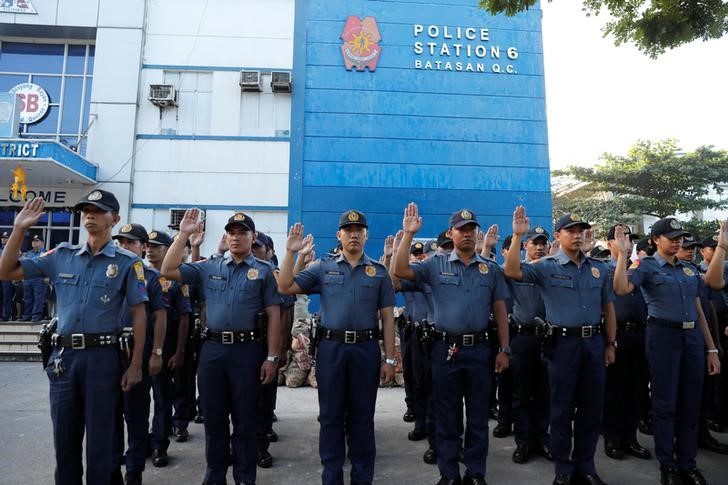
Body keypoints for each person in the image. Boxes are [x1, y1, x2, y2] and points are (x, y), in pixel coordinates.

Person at [0, 192, 148, 485]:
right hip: (64, 360)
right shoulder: (61, 256)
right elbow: (6, 271)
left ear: (114, 219)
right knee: (65, 441)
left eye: (98, 210)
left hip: (103, 359)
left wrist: (135, 364)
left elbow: (139, 313)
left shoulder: (128, 263)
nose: (90, 215)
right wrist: (19, 229)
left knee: (100, 444)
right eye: (86, 210)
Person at [161, 209, 282, 485]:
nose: (236, 237)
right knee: (214, 418)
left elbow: (275, 314)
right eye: (232, 232)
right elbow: (167, 270)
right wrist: (183, 236)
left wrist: (272, 356)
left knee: (245, 419)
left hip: (247, 351)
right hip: (212, 350)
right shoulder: (208, 266)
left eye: (243, 233)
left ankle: (244, 476)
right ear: (226, 236)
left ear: (253, 238)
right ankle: (215, 475)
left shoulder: (264, 272)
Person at [393, 203, 510, 485]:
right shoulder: (435, 264)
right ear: (451, 233)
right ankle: (449, 474)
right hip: (445, 350)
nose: (468, 234)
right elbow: (399, 271)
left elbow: (501, 310)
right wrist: (408, 235)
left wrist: (504, 349)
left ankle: (475, 473)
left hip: (481, 350)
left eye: (472, 229)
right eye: (462, 229)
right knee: (447, 414)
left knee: (479, 416)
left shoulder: (490, 269)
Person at [277, 210, 396, 485]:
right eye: (348, 229)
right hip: (332, 349)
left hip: (366, 350)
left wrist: (390, 359)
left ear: (366, 235)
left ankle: (362, 477)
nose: (354, 234)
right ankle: (331, 477)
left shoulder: (378, 272)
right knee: (330, 415)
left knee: (362, 417)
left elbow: (388, 319)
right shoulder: (322, 267)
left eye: (359, 229)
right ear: (339, 235)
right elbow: (285, 286)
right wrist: (290, 253)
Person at [504, 208, 616, 485]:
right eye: (571, 231)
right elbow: (512, 270)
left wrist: (611, 343)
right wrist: (518, 237)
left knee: (591, 410)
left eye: (581, 231)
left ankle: (586, 467)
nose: (578, 236)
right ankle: (564, 470)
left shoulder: (598, 268)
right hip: (563, 344)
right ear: (559, 235)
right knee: (561, 410)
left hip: (593, 343)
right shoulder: (546, 267)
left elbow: (609, 309)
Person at [614, 218, 721, 485]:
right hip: (663, 337)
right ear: (655, 241)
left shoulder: (688, 269)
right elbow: (621, 288)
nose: (678, 241)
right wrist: (623, 256)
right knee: (665, 404)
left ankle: (688, 463)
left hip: (692, 338)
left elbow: (700, 307)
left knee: (690, 403)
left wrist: (711, 348)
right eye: (671, 237)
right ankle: (668, 466)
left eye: (680, 237)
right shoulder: (645, 265)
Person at [111, 223, 167, 484]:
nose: (124, 247)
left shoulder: (152, 277)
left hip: (136, 352)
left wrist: (156, 353)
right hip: (107, 353)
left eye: (130, 242)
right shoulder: (108, 272)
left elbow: (160, 315)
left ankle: (134, 470)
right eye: (121, 242)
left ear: (143, 247)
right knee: (109, 417)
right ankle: (112, 469)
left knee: (135, 416)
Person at [601, 224, 651, 462]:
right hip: (617, 334)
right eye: (621, 238)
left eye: (630, 238)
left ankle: (630, 438)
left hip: (641, 333)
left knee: (636, 388)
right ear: (609, 242)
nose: (627, 242)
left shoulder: (639, 266)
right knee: (614, 389)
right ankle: (612, 437)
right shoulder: (601, 267)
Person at [507, 226, 553, 465]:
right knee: (522, 393)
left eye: (543, 243)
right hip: (523, 339)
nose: (539, 247)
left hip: (549, 338)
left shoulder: (553, 270)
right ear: (526, 246)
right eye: (534, 243)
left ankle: (543, 439)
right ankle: (523, 442)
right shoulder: (518, 271)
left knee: (545, 393)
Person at [21, 234, 48, 321]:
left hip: (39, 278)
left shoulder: (45, 253)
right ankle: (27, 315)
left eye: (37, 241)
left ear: (42, 242)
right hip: (28, 278)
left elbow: (49, 266)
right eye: (33, 241)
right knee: (27, 298)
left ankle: (36, 316)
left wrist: (47, 276)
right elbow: (24, 265)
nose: (34, 243)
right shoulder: (29, 253)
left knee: (38, 298)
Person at [0, 231, 14, 320]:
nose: (3, 240)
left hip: (7, 275)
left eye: (5, 238)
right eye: (2, 238)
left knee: (6, 296)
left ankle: (6, 315)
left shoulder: (13, 249)